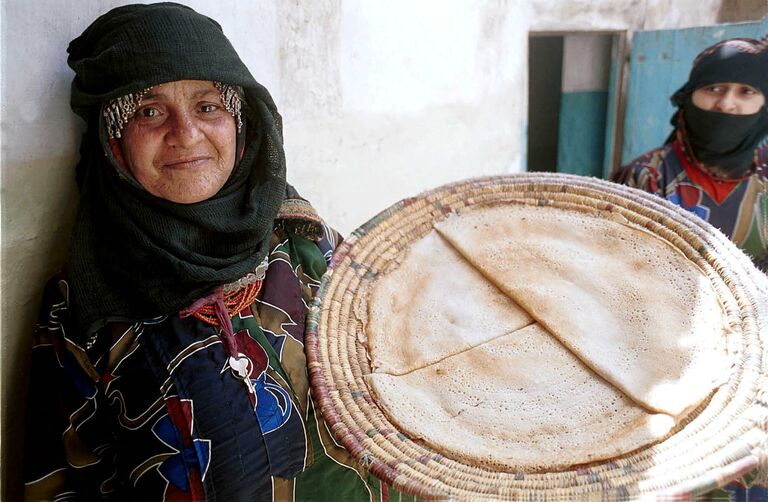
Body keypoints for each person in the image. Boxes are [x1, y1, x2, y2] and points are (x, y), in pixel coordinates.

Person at [22, 4, 409, 501]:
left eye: (208, 107)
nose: (185, 133)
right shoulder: (82, 309)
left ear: (240, 124)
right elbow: (59, 484)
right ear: (112, 140)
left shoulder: (308, 244)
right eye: (149, 111)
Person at [612, 37, 768, 273]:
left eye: (746, 92)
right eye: (713, 89)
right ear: (689, 98)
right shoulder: (645, 176)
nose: (726, 104)